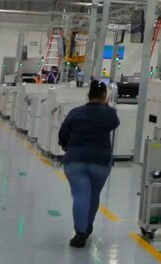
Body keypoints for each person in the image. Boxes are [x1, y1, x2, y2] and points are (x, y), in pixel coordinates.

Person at [58, 80, 120, 248]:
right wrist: (105, 106)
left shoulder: (75, 112)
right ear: (105, 96)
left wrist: (67, 146)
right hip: (101, 161)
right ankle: (87, 226)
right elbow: (114, 123)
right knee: (93, 194)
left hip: (75, 160)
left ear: (88, 94)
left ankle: (80, 233)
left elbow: (63, 134)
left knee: (80, 194)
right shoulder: (109, 113)